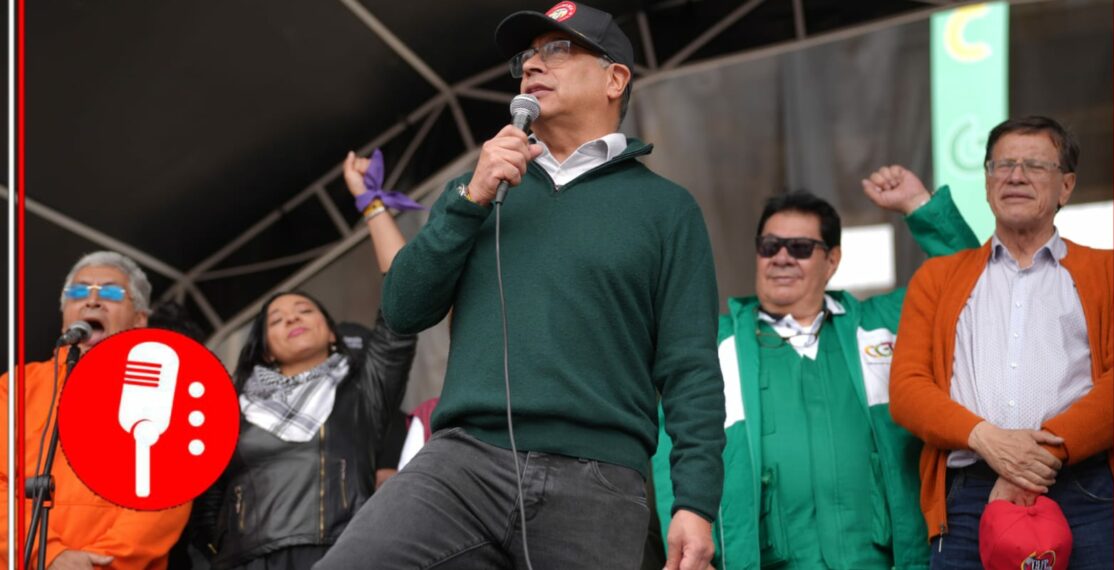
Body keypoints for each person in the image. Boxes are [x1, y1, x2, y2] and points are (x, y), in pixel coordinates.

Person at [315, 3, 725, 569]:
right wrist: (470, 200)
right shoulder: (477, 186)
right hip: (463, 462)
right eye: (527, 54)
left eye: (557, 49)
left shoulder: (666, 209)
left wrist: (696, 503)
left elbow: (691, 369)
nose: (533, 63)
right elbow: (403, 309)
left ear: (615, 78)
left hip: (600, 476)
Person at [652, 172, 979, 568]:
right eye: (770, 246)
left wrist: (918, 206)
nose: (782, 257)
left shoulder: (880, 326)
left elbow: (963, 278)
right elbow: (674, 452)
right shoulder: (716, 345)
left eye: (801, 247)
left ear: (832, 260)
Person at [889, 116, 1114, 569]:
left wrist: (1035, 459)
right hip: (969, 494)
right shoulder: (937, 278)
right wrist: (987, 440)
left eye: (1035, 165)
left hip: (1083, 489)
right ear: (988, 182)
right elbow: (908, 389)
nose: (1015, 176)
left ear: (1066, 187)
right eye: (1002, 165)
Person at [202, 155, 417, 569]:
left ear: (333, 333)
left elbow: (403, 292)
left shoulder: (362, 388)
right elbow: (205, 497)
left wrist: (368, 201)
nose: (293, 320)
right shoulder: (228, 403)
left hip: (342, 553)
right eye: (277, 320)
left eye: (304, 310)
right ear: (264, 348)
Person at [0, 251, 192, 569]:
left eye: (112, 292)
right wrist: (49, 555)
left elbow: (167, 496)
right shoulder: (17, 385)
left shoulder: (166, 391)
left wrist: (95, 564)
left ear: (139, 319)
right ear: (65, 313)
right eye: (78, 291)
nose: (92, 300)